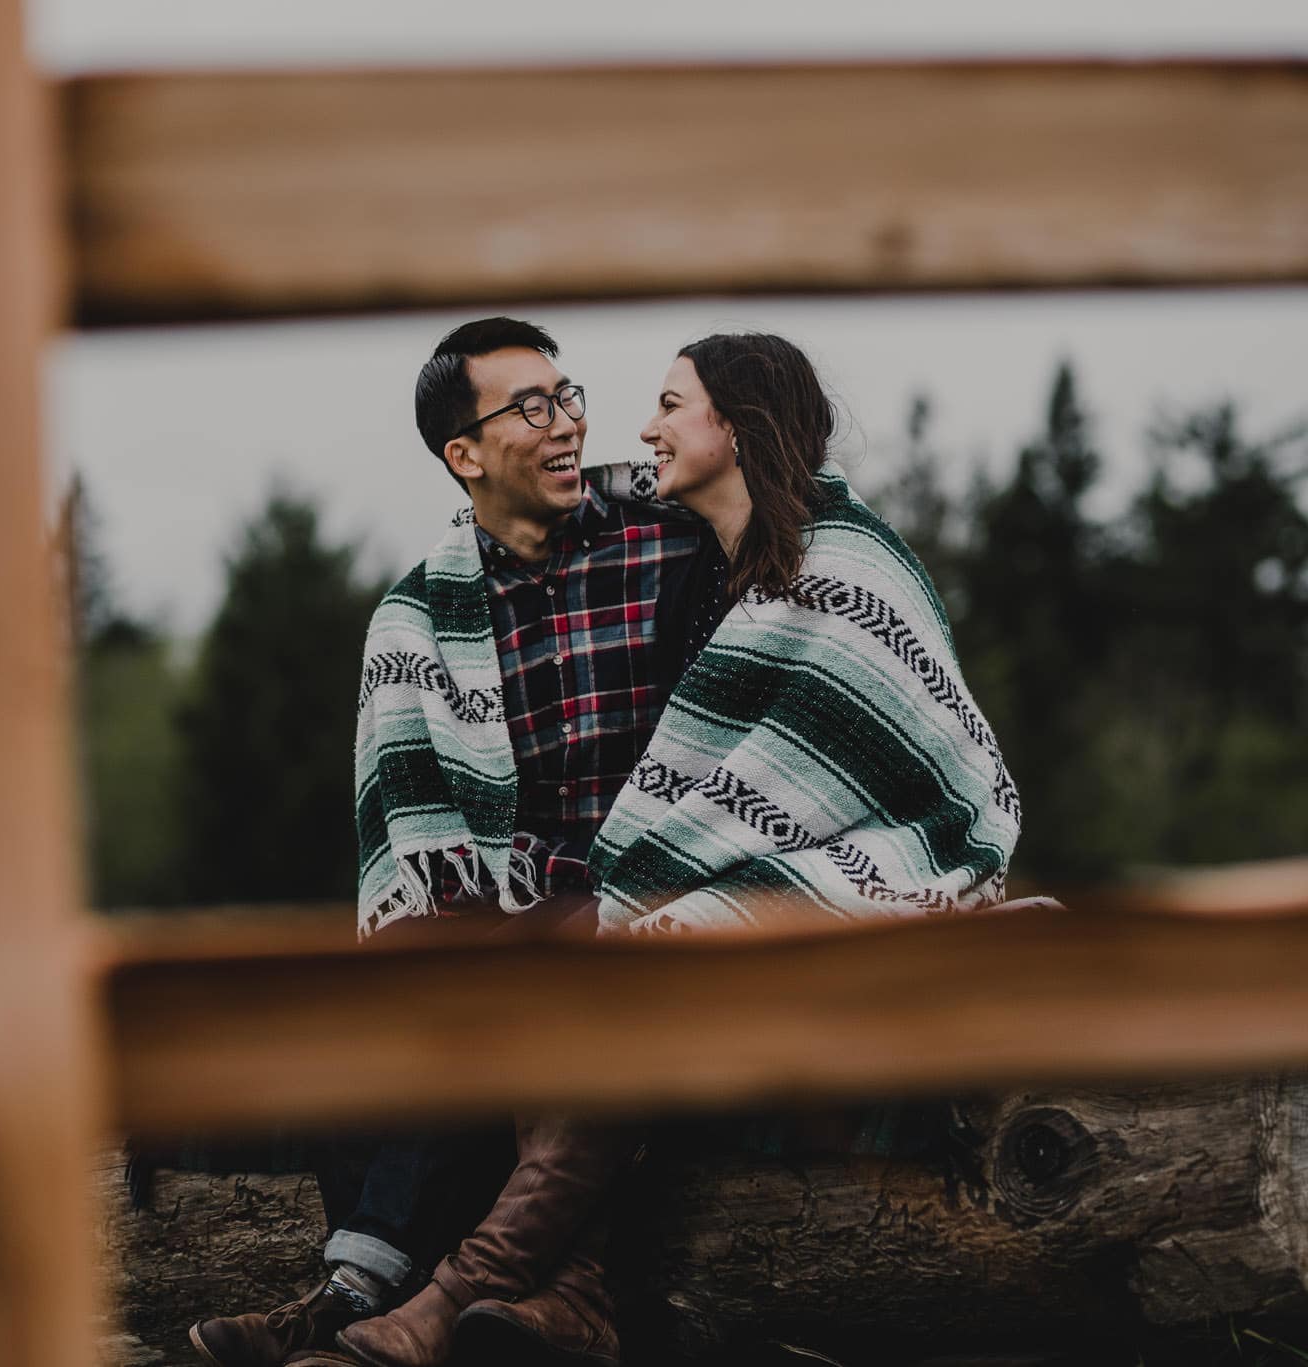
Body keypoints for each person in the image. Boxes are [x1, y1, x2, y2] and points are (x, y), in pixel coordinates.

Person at [311, 332, 1021, 1367]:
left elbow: (880, 752)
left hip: (874, 865)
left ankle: (460, 1288)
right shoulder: (706, 566)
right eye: (535, 407)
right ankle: (545, 1297)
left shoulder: (834, 559)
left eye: (662, 404)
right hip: (668, 894)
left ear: (732, 426)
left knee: (618, 952)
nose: (618, 426)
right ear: (463, 453)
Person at [186, 317, 708, 1367]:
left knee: (524, 985)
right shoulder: (419, 614)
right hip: (504, 912)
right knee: (385, 1005)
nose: (565, 423)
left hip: (651, 893)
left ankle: (361, 1297)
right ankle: (381, 1299)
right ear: (462, 454)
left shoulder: (667, 537)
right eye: (530, 406)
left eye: (566, 396)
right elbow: (417, 836)